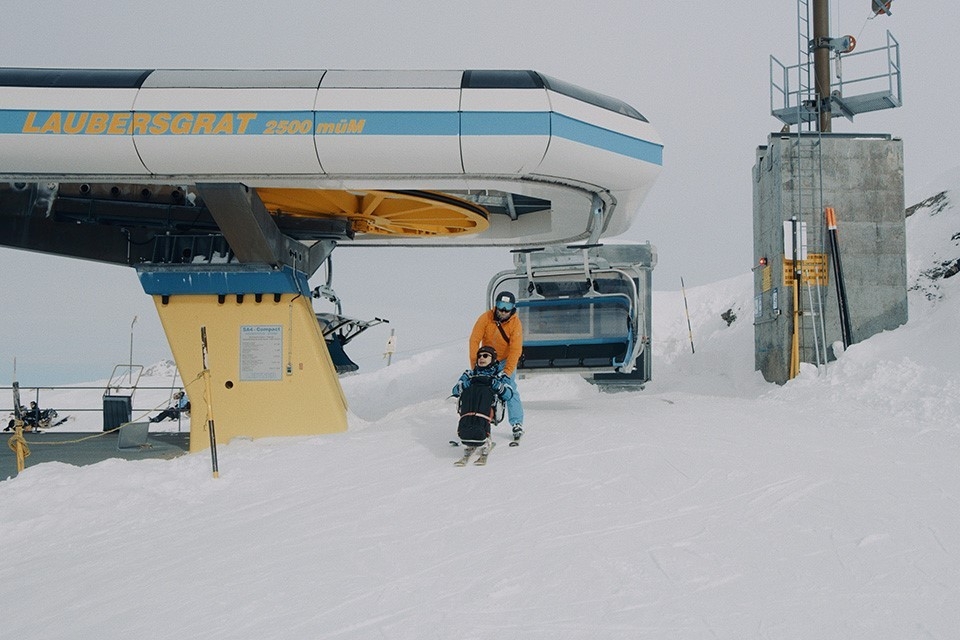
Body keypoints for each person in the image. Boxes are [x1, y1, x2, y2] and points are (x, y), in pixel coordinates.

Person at [468, 290, 524, 440]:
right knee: (481, 387)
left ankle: (516, 423)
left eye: (506, 308)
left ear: (512, 308)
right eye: (500, 307)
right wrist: (475, 366)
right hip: (488, 359)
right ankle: (477, 421)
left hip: (506, 359)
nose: (503, 312)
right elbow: (474, 340)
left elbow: (515, 349)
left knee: (509, 388)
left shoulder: (515, 324)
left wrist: (507, 371)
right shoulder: (485, 318)